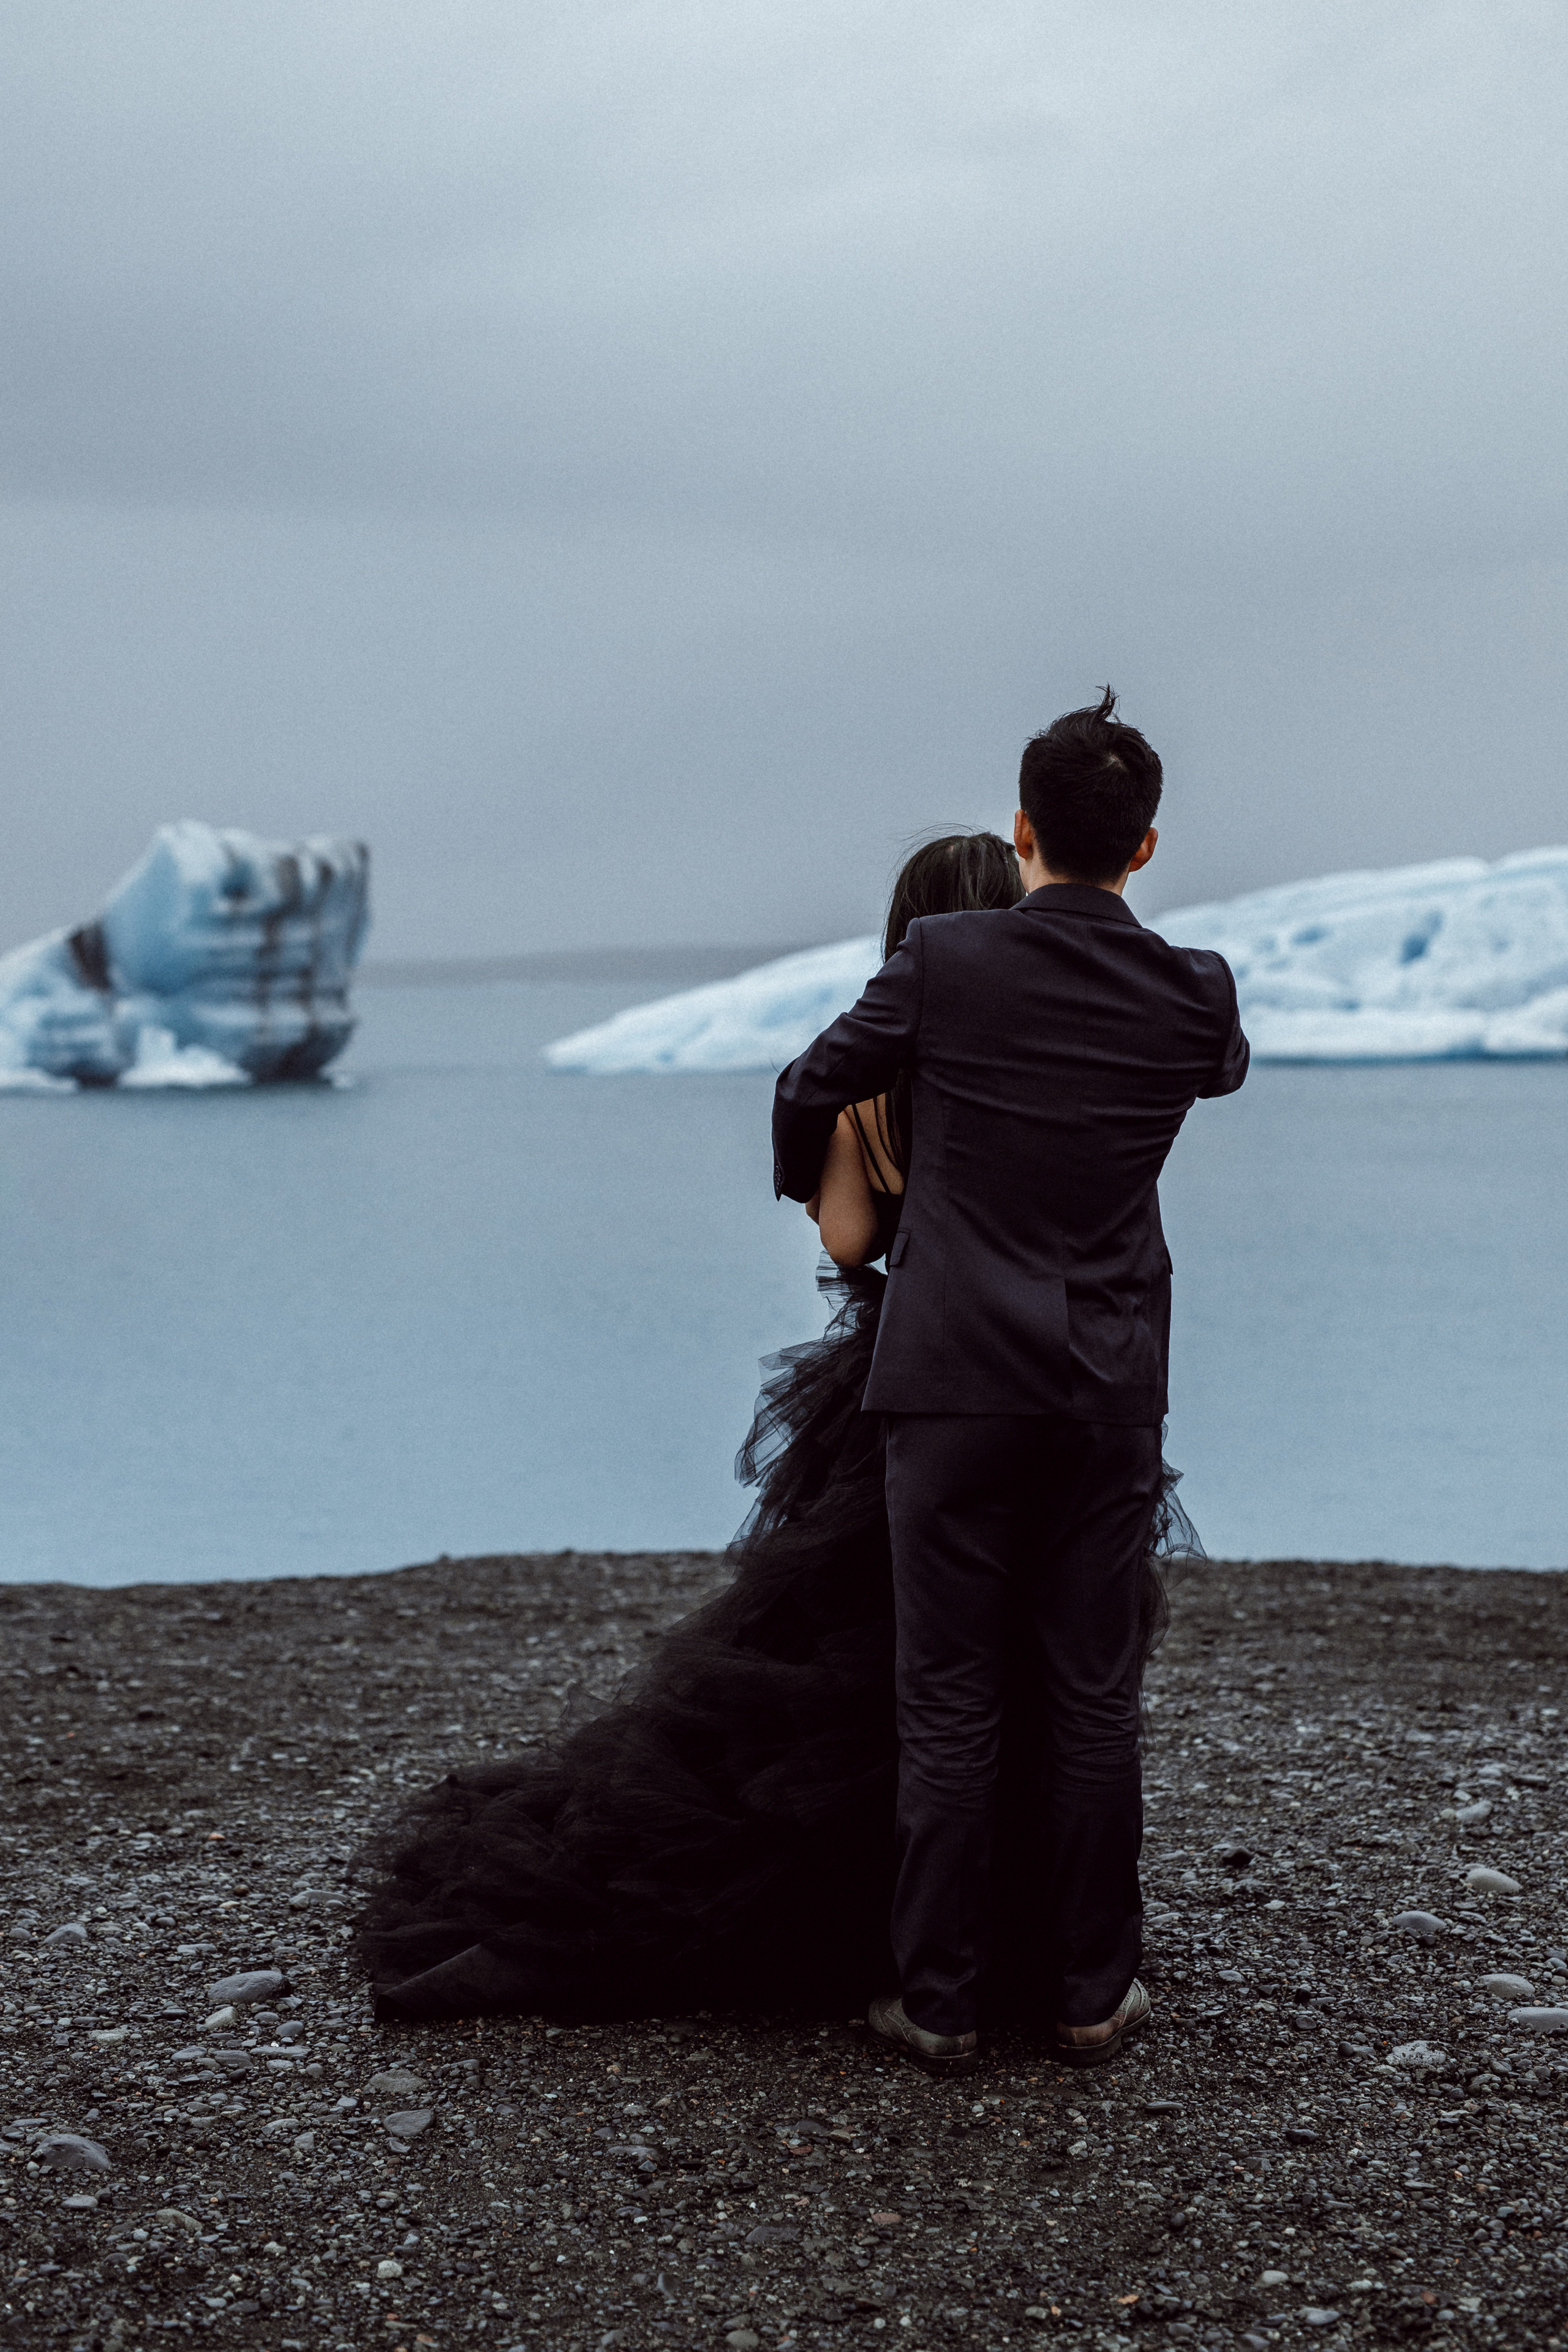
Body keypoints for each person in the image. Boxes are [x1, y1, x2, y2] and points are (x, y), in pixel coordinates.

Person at [353, 821, 1197, 2027]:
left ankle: (911, 1948)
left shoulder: (876, 1076)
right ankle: (1046, 1944)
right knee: (1058, 1678)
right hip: (1072, 1388)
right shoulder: (1051, 1062)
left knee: (890, 1688)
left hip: (914, 1387)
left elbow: (849, 1244)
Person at [773, 689, 1248, 2077]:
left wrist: (805, 1165)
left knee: (950, 1693)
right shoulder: (1195, 991)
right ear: (1144, 848)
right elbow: (1209, 1075)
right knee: (1091, 1692)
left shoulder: (944, 958)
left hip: (952, 1377)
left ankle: (941, 1997)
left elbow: (816, 1078)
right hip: (1107, 1382)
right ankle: (1094, 1991)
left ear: (1024, 828)